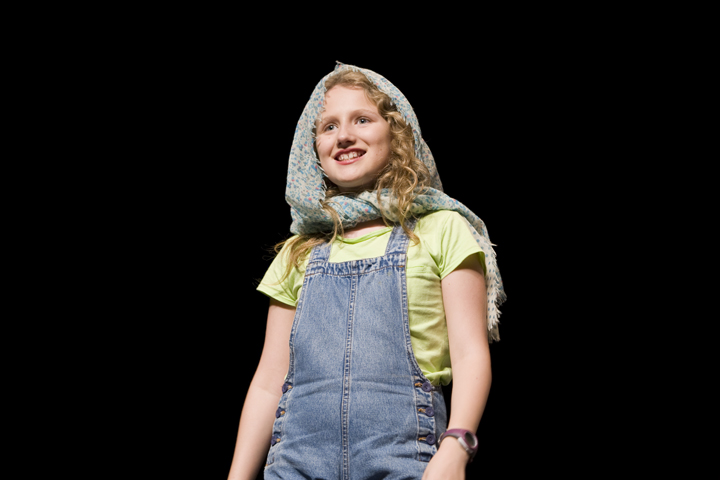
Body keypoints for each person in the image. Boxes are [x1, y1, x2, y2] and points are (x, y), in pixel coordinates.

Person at [227, 62, 506, 480]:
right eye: (329, 126)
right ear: (313, 149)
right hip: (294, 466)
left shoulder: (441, 228)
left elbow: (470, 354)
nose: (344, 135)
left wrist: (456, 446)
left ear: (397, 133)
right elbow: (269, 380)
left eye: (362, 119)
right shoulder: (300, 250)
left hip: (404, 462)